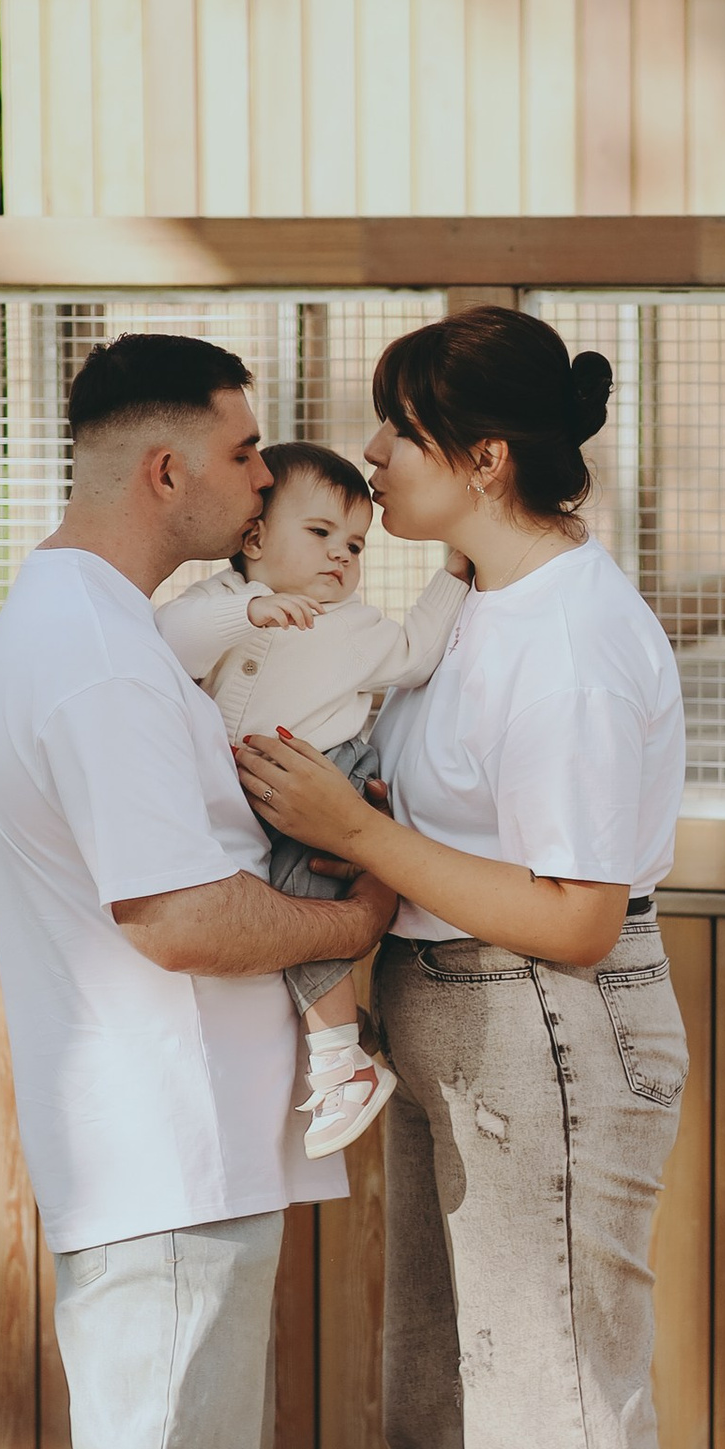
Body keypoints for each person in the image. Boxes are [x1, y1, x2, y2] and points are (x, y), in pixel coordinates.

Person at [232, 306, 703, 1449]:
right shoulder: (471, 601)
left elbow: (577, 913)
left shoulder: (572, 636)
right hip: (451, 1018)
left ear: (485, 458)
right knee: (440, 1413)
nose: (369, 459)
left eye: (400, 434)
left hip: (544, 1025)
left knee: (564, 1427)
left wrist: (359, 833)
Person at [0, 333, 395, 1449]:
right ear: (166, 471)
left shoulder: (119, 634)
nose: (263, 477)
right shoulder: (91, 657)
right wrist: (363, 902)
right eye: (241, 453)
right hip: (154, 1153)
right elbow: (181, 915)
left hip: (201, 1146)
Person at [158, 439, 468, 1157]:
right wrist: (254, 611)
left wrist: (453, 575)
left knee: (301, 903)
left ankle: (341, 1065)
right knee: (255, 913)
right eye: (321, 532)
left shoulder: (352, 625)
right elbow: (170, 641)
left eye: (354, 545)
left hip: (326, 779)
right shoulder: (219, 602)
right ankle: (338, 1027)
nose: (340, 556)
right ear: (255, 538)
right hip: (252, 797)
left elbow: (417, 653)